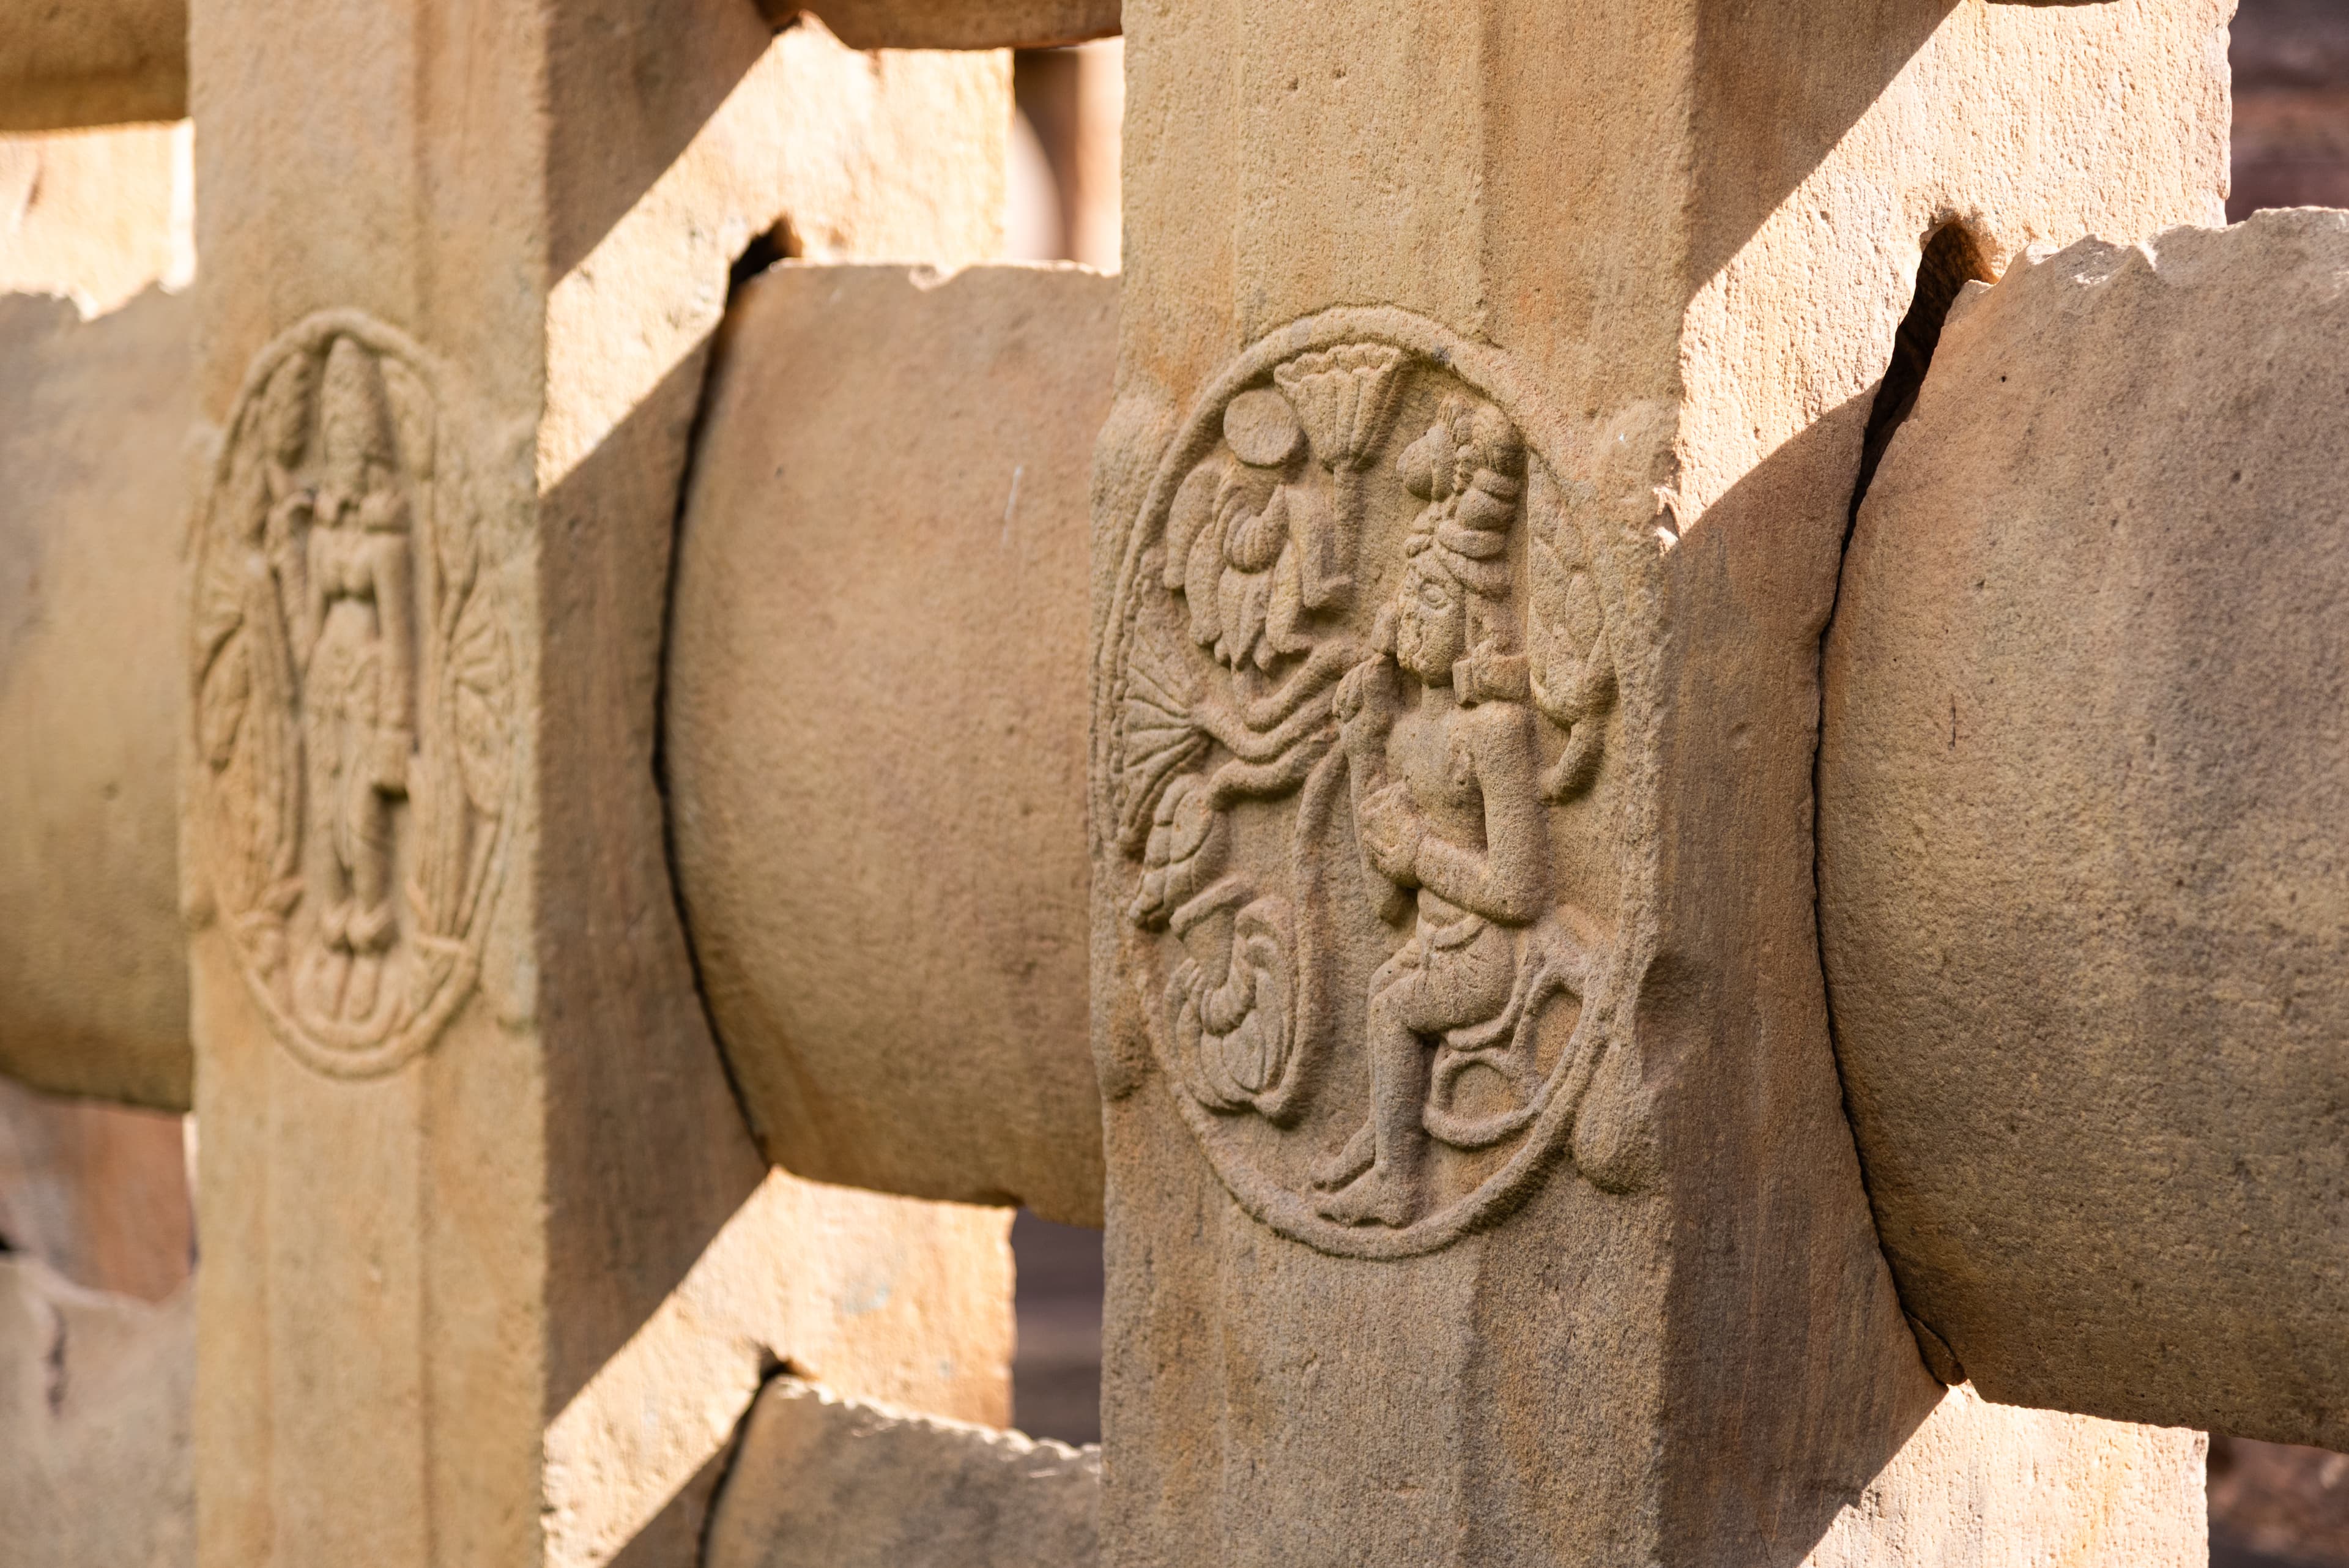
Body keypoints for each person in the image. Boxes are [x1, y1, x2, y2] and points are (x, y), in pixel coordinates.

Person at [1312, 396, 1547, 1227]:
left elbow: (1520, 891)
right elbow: (1386, 899)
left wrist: (1420, 854)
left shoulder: (1495, 732)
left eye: (1434, 606)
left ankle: (1397, 1181)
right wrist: (1361, 750)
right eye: (1410, 603)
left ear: (1479, 619)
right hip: (1435, 938)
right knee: (1386, 982)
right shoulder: (1412, 733)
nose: (1412, 623)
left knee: (1392, 1004)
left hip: (1488, 960)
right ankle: (1384, 1140)